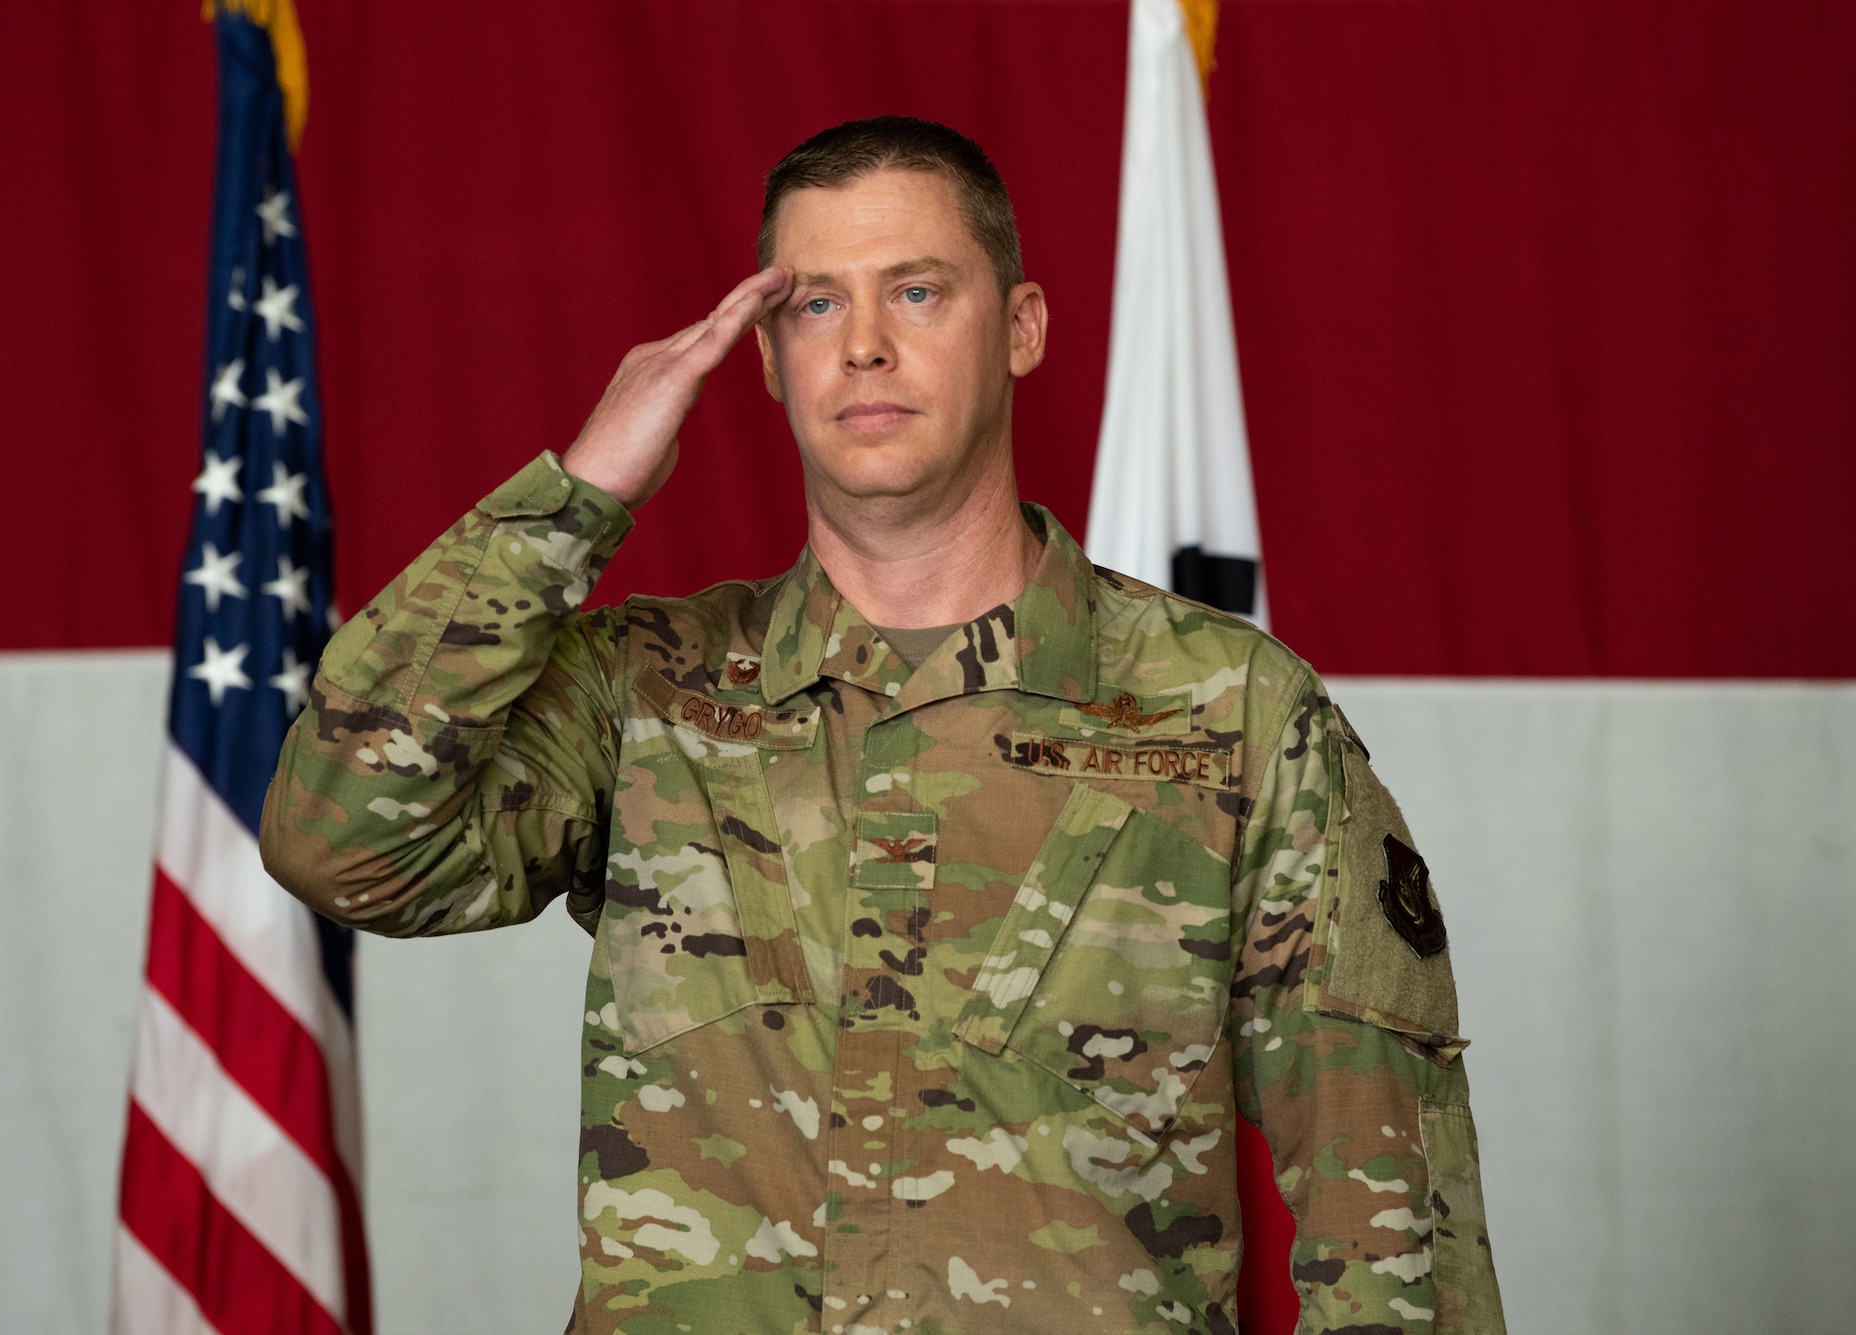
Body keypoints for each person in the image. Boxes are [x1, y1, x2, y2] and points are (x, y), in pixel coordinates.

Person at [262, 116, 1505, 1335]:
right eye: (812, 304)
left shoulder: (1228, 709)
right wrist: (571, 501)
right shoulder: (646, 692)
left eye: (915, 293)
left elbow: (1388, 1198)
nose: (860, 345)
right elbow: (340, 842)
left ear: (1018, 329)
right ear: (761, 355)